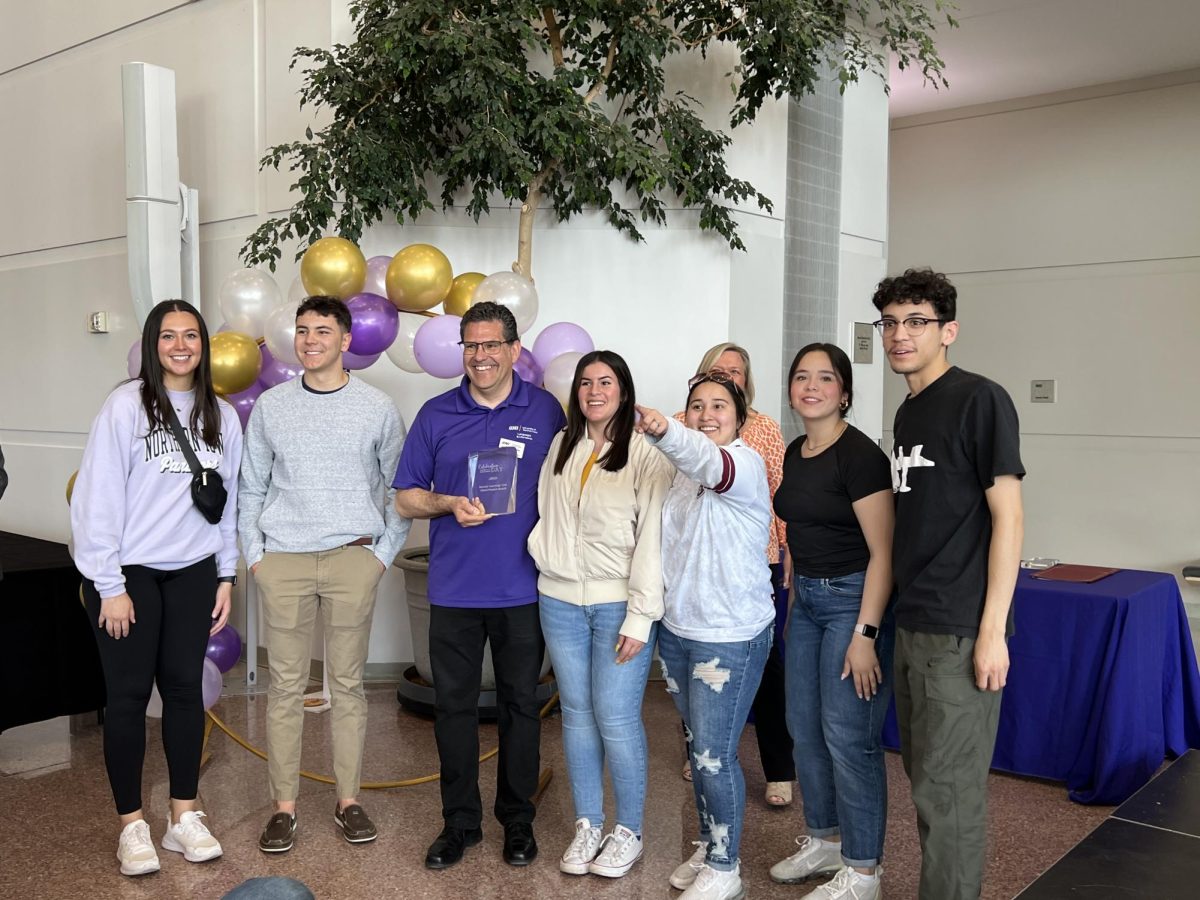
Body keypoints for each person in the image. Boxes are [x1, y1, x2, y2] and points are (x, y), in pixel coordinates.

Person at [393, 301, 565, 870]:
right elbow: (406, 495)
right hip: (454, 590)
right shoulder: (436, 414)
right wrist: (447, 504)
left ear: (515, 350)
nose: (481, 356)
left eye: (492, 345)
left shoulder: (545, 412)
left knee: (521, 707)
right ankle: (459, 823)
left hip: (524, 590)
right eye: (472, 346)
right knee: (454, 711)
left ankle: (517, 821)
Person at [71, 299, 241, 876]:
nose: (180, 346)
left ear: (203, 345)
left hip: (193, 571)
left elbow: (229, 504)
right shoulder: (126, 406)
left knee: (185, 694)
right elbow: (96, 498)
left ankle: (183, 818)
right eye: (168, 336)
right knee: (125, 699)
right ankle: (132, 826)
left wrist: (226, 573)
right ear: (152, 343)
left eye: (190, 335)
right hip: (130, 575)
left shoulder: (221, 414)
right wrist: (109, 583)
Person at [872, 268, 1025, 900]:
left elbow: (1008, 515)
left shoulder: (979, 399)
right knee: (928, 783)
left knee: (951, 795)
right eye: (890, 323)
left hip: (960, 630)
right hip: (915, 622)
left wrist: (991, 632)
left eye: (916, 322)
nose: (899, 335)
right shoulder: (910, 411)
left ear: (948, 330)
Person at [238, 295, 410, 853]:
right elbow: (250, 487)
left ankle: (348, 801)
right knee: (284, 687)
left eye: (322, 331)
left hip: (351, 559)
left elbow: (396, 490)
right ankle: (283, 809)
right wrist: (255, 558)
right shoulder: (271, 407)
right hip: (282, 560)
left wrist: (380, 556)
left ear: (345, 341)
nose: (310, 340)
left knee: (347, 687)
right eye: (303, 330)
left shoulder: (377, 407)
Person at [527, 350, 674, 878]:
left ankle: (628, 830)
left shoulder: (646, 453)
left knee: (615, 718)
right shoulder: (561, 445)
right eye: (585, 382)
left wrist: (641, 615)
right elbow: (544, 512)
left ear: (623, 389)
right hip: (560, 600)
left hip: (618, 605)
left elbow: (653, 539)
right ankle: (588, 824)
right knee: (578, 716)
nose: (593, 391)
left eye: (605, 381)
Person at [636, 373, 775, 900]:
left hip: (729, 638)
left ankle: (726, 865)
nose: (707, 413)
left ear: (740, 418)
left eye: (720, 406)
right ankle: (711, 841)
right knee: (699, 753)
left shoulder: (742, 464)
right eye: (696, 406)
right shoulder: (681, 474)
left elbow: (707, 462)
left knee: (715, 755)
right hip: (679, 633)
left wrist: (661, 427)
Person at [769, 343, 895, 900]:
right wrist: (796, 596)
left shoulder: (861, 455)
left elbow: (884, 553)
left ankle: (864, 870)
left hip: (852, 600)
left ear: (844, 391)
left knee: (848, 735)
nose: (811, 386)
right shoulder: (796, 451)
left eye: (825, 378)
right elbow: (798, 529)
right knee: (804, 727)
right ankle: (824, 841)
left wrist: (866, 635)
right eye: (802, 377)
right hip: (809, 604)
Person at [676, 343, 794, 806]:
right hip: (693, 569)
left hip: (752, 561)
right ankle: (699, 750)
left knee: (766, 669)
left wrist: (787, 545)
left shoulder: (762, 427)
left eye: (736, 373)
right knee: (691, 667)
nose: (728, 377)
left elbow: (779, 488)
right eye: (717, 371)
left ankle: (779, 768)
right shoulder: (680, 424)